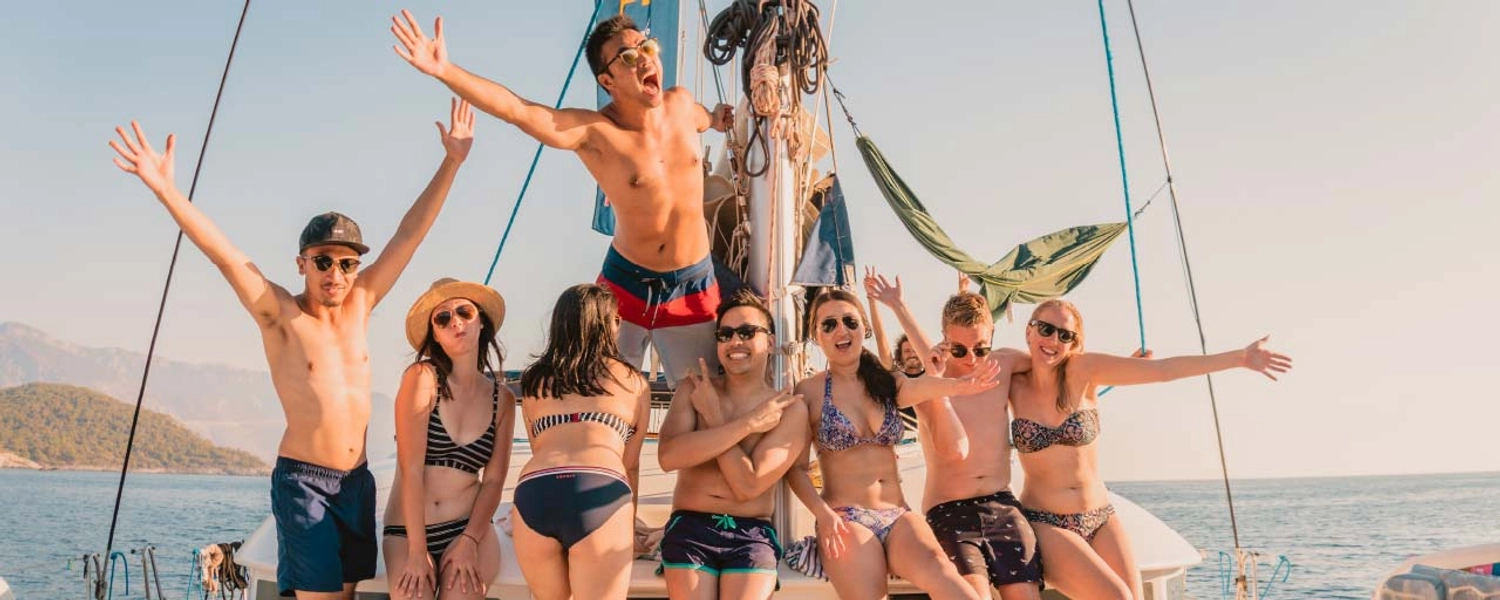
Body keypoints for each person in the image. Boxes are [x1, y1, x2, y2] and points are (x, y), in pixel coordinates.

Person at [109, 100, 476, 599]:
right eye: (324, 261)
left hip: (357, 483)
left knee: (343, 594)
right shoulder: (280, 314)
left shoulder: (362, 303)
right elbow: (227, 257)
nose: (337, 273)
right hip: (306, 484)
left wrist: (451, 162)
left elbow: (409, 235)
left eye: (347, 264)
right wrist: (167, 190)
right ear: (301, 263)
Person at [391, 10, 734, 385]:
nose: (645, 59)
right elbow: (517, 110)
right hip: (626, 285)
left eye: (647, 47)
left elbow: (705, 118)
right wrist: (444, 70)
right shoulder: (596, 133)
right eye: (629, 57)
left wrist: (718, 117)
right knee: (602, 398)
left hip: (693, 284)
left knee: (705, 397)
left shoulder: (681, 105)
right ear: (607, 80)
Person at [1009, 299, 1292, 599]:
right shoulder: (1012, 382)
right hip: (1046, 521)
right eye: (1046, 329)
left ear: (1074, 343)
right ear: (1029, 331)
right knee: (1118, 596)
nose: (1053, 340)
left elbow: (1162, 370)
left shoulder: (1084, 370)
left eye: (1065, 335)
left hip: (1101, 517)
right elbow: (966, 373)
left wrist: (1241, 358)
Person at [784, 289, 999, 600]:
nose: (841, 330)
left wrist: (961, 386)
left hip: (898, 516)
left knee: (953, 585)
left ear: (864, 329)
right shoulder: (809, 391)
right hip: (844, 518)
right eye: (828, 325)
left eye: (850, 321)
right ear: (816, 336)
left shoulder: (886, 382)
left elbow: (924, 386)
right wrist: (823, 515)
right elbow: (797, 468)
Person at [865, 272, 1044, 600]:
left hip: (1002, 503)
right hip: (950, 509)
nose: (971, 360)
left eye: (981, 348)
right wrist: (895, 305)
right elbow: (952, 449)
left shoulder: (1005, 363)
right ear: (944, 339)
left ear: (992, 333)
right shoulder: (930, 380)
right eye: (959, 350)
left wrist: (1097, 371)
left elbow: (1055, 367)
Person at [656, 290, 807, 600]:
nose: (735, 341)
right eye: (725, 334)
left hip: (752, 534)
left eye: (747, 332)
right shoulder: (695, 388)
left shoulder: (788, 408)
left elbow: (748, 485)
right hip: (690, 527)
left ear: (769, 341)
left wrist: (713, 417)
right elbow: (669, 456)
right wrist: (748, 425)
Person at [513, 284, 653, 600]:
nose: (620, 326)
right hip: (598, 488)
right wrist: (627, 527)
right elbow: (629, 465)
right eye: (616, 319)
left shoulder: (535, 383)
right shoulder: (632, 382)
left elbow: (539, 447)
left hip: (536, 491)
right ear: (604, 325)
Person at [383, 279, 514, 600]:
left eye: (464, 312)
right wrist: (417, 551)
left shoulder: (503, 399)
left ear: (480, 321)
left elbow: (494, 480)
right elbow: (410, 469)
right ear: (436, 335)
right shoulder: (421, 379)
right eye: (442, 318)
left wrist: (470, 539)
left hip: (468, 529)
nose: (455, 321)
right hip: (407, 530)